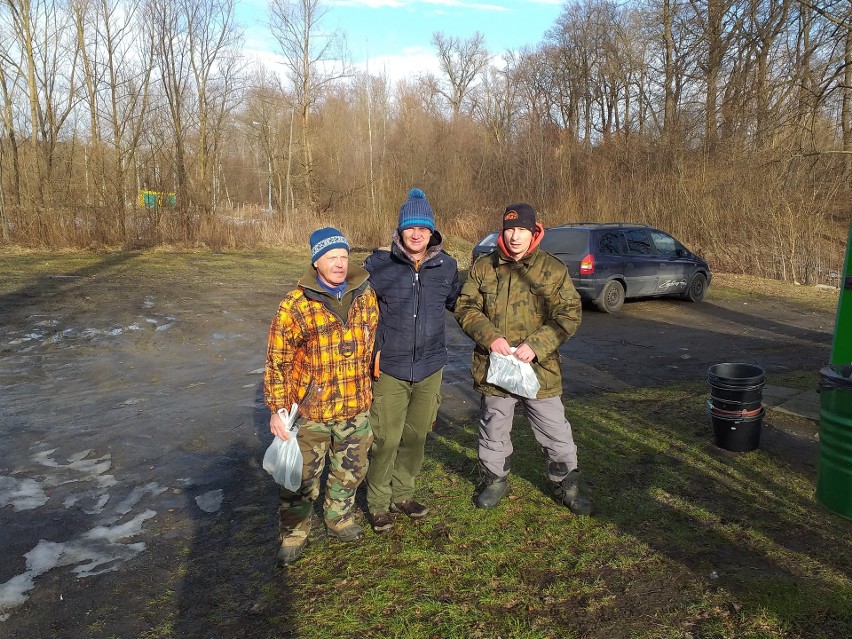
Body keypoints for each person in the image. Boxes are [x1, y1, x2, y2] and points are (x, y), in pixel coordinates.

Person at [454, 203, 593, 514]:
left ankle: (566, 485)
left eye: (522, 230)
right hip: (496, 368)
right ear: (503, 230)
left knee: (555, 430)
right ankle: (495, 480)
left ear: (534, 231)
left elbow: (569, 314)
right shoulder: (483, 267)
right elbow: (465, 308)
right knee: (494, 429)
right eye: (510, 229)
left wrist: (538, 345)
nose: (515, 236)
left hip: (539, 369)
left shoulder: (552, 269)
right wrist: (492, 338)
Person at [264, 227, 379, 565]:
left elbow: (374, 338)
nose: (339, 264)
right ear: (316, 261)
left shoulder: (365, 295)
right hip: (310, 410)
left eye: (343, 256)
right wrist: (276, 408)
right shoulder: (295, 304)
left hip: (354, 405)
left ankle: (339, 518)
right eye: (331, 258)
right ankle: (294, 532)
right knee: (299, 478)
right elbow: (276, 359)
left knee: (351, 470)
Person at [363, 188, 461, 533]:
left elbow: (458, 304)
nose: (416, 234)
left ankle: (403, 494)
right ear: (400, 231)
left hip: (430, 366)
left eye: (423, 228)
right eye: (410, 228)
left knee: (417, 436)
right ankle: (377, 502)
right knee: (385, 438)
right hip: (389, 366)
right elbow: (356, 309)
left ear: (432, 231)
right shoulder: (378, 266)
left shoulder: (446, 266)